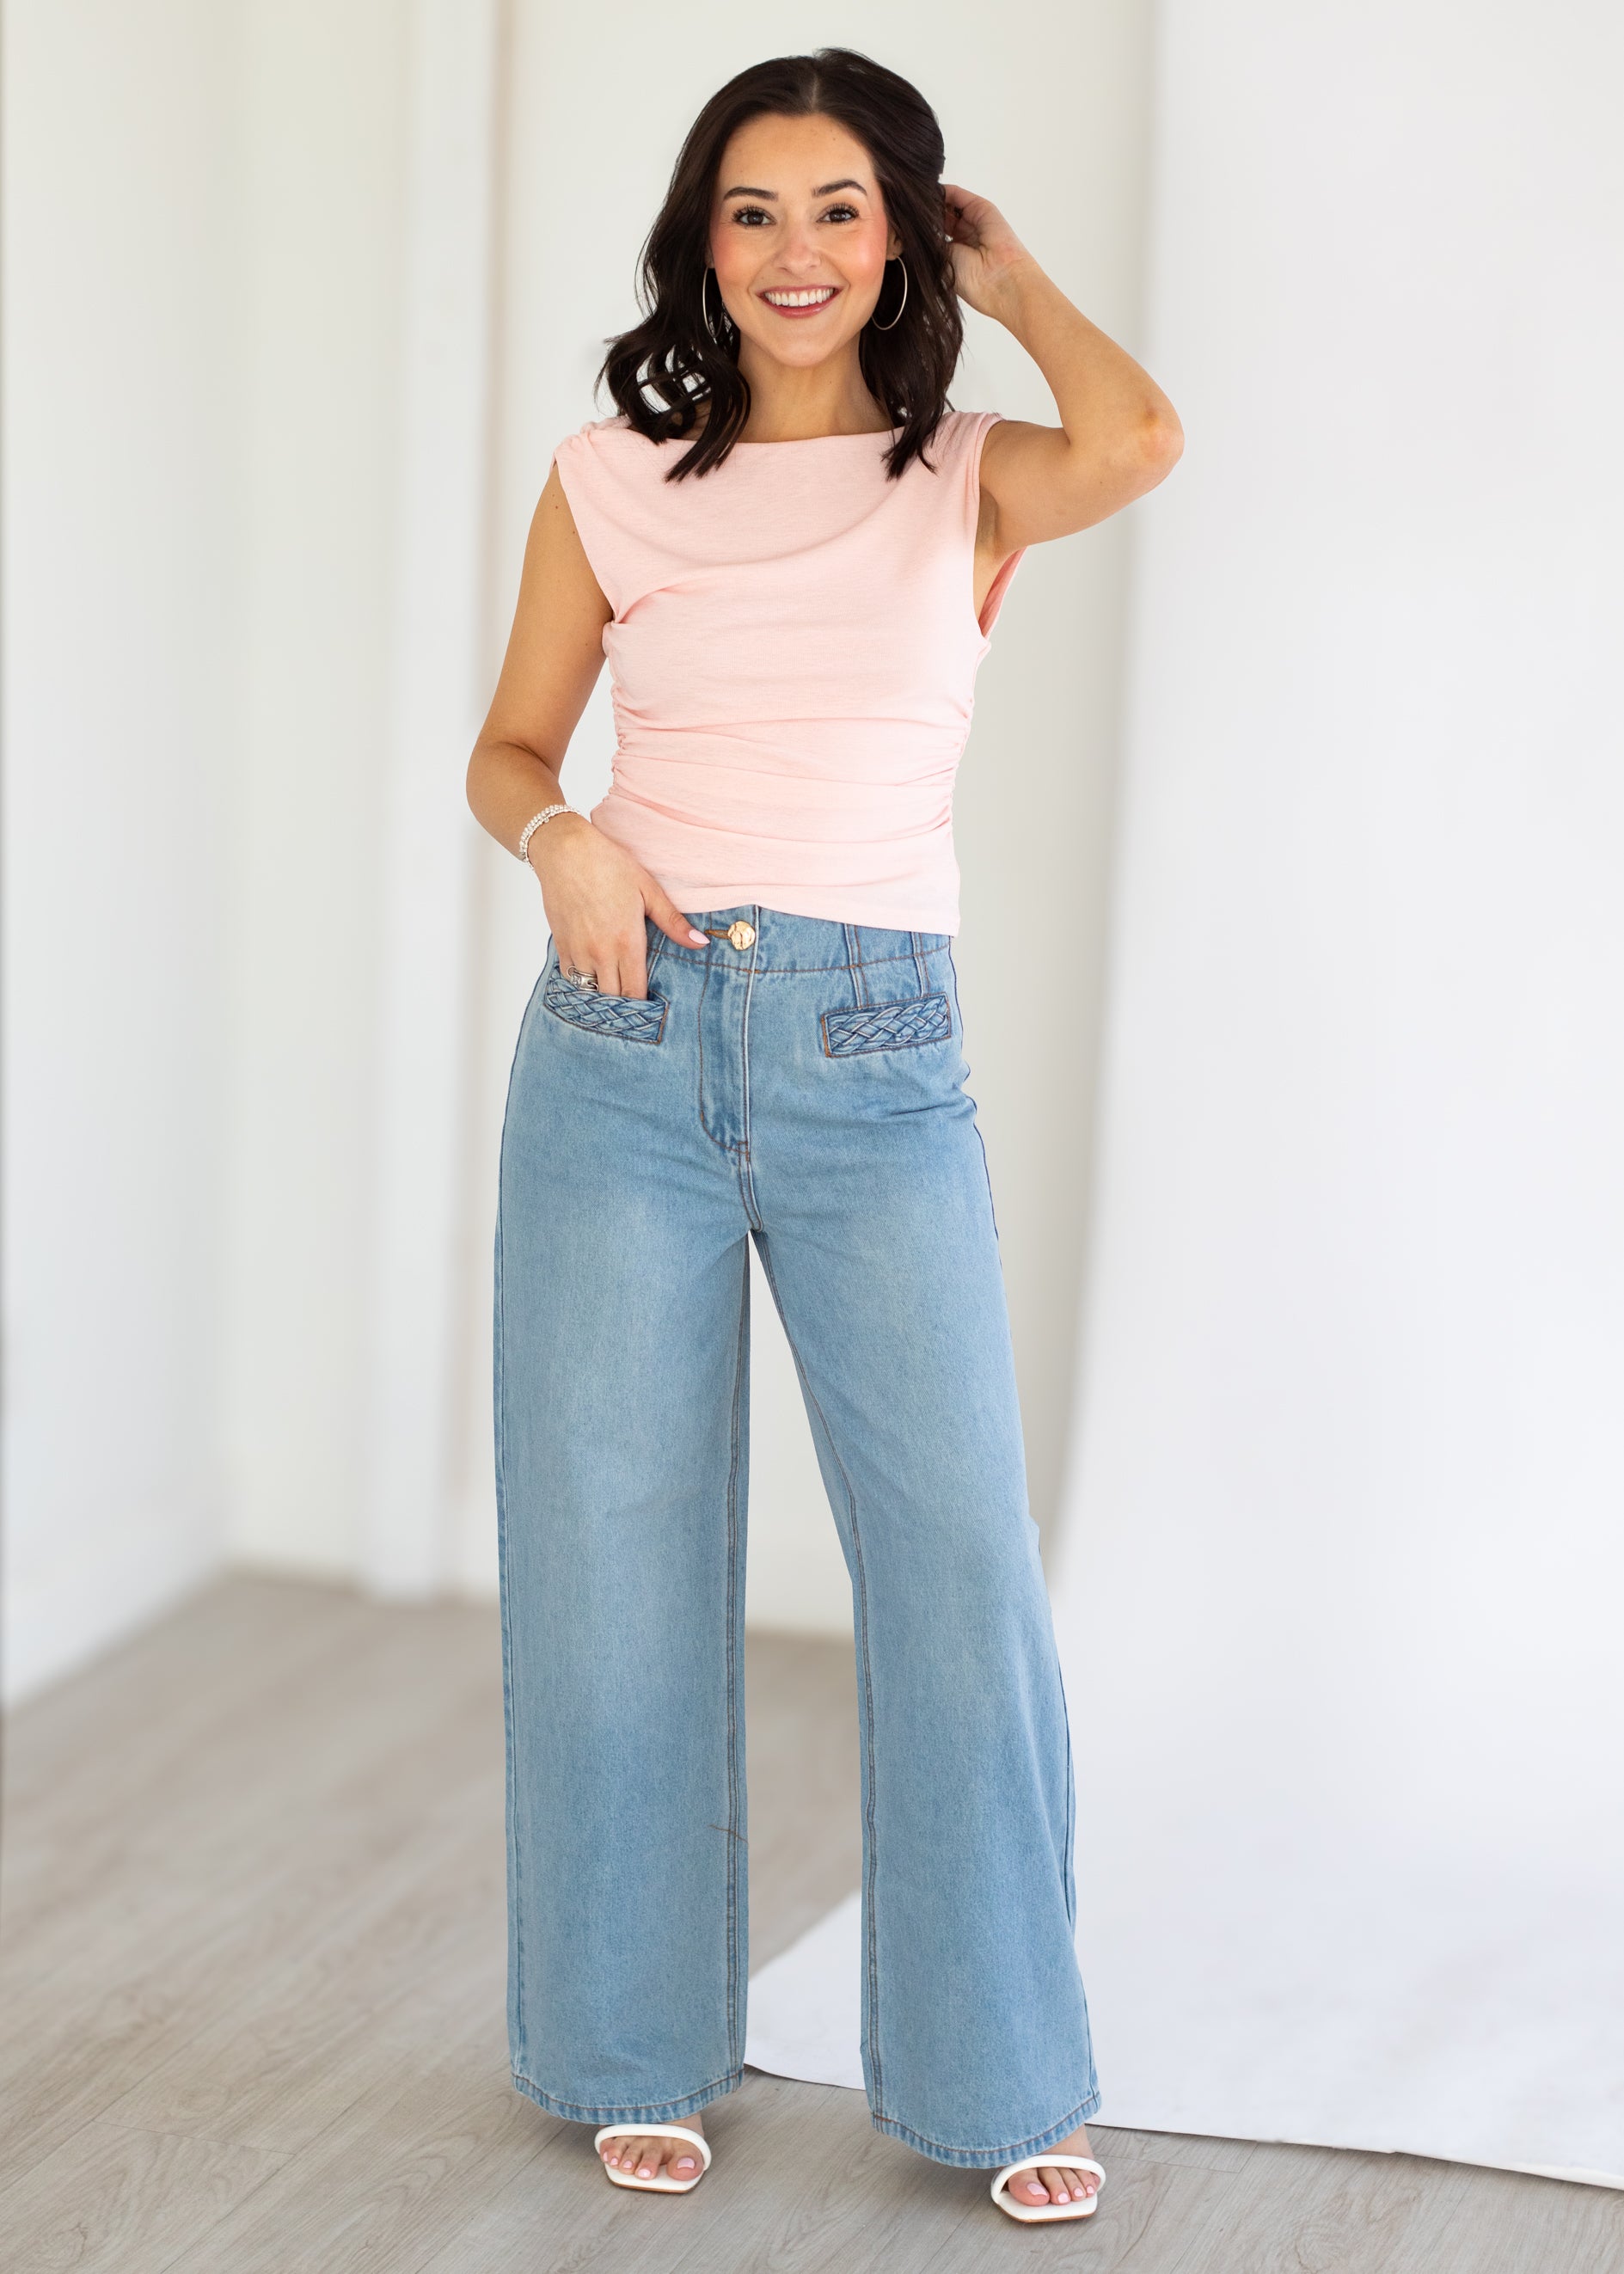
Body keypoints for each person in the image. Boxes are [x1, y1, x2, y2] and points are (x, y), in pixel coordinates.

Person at [464, 46, 1181, 2228]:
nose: (793, 252)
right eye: (755, 211)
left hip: (878, 1053)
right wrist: (565, 838)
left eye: (843, 210)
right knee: (610, 1567)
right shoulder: (609, 476)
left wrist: (1016, 264)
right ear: (703, 235)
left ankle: (1002, 2075)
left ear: (904, 237)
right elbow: (507, 745)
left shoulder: (965, 474)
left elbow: (1145, 436)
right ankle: (629, 2040)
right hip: (622, 1039)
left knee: (958, 1569)